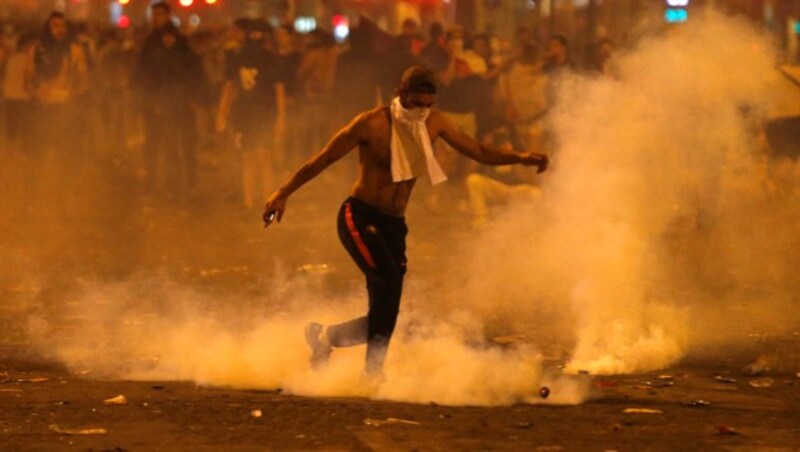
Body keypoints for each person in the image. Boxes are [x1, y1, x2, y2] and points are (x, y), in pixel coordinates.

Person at [262, 66, 548, 377]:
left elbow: (478, 150)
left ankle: (323, 337)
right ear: (401, 94)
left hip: (394, 224)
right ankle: (373, 373)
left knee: (386, 311)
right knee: (389, 283)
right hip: (359, 216)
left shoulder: (434, 123)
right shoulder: (371, 123)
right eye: (417, 103)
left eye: (429, 104)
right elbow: (324, 158)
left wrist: (519, 157)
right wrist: (283, 192)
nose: (423, 110)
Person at [216, 19, 286, 209]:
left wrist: (281, 119)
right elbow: (229, 87)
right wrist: (222, 113)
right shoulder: (239, 58)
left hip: (261, 115)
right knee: (252, 158)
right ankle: (251, 202)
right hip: (247, 115)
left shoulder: (269, 59)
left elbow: (279, 90)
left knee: (260, 158)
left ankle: (263, 201)